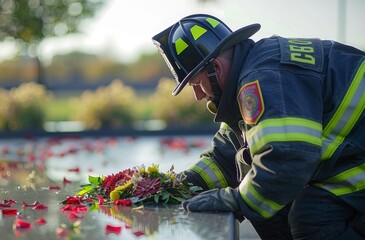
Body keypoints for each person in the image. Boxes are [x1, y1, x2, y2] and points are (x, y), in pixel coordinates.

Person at [152, 13, 365, 239]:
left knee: (312, 217)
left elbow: (286, 160)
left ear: (216, 67)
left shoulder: (263, 79)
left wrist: (236, 199)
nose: (196, 95)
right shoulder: (256, 72)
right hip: (355, 156)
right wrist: (177, 185)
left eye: (195, 83)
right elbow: (228, 155)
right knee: (273, 200)